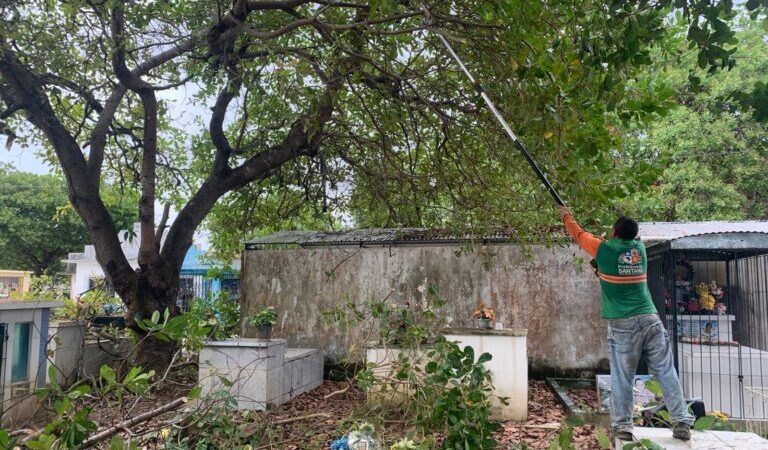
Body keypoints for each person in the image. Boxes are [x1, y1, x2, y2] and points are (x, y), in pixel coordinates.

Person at [559, 207, 694, 441]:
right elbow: (616, 265)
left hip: (623, 325)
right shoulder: (640, 249)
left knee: (623, 376)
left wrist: (566, 215)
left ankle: (623, 426)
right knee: (665, 371)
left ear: (614, 232)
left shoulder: (603, 249)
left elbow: (579, 234)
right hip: (650, 319)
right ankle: (681, 420)